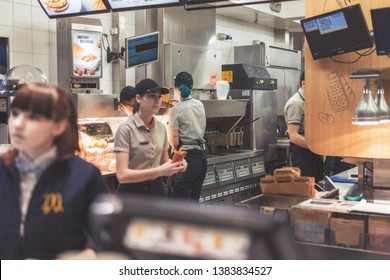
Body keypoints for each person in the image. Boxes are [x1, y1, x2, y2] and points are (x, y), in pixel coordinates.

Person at [0, 83, 109, 260]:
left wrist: (86, 257)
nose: (18, 124)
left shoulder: (84, 177)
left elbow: (106, 239)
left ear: (58, 126)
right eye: (15, 114)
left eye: (33, 117)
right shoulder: (4, 170)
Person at [114, 78, 187, 196]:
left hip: (156, 190)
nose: (157, 100)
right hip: (132, 193)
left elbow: (164, 161)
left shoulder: (161, 128)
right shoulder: (125, 129)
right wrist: (160, 171)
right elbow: (122, 176)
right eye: (152, 96)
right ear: (138, 98)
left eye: (159, 97)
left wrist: (177, 164)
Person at [168, 71, 207, 202]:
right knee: (194, 204)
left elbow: (174, 142)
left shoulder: (175, 110)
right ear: (191, 87)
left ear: (176, 89)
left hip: (186, 159)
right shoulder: (199, 105)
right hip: (201, 158)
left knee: (182, 207)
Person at [284, 71, 324, 183]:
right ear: (304, 83)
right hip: (303, 155)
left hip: (313, 152)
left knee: (317, 188)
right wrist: (319, 146)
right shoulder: (296, 103)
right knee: (307, 190)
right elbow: (294, 136)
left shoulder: (307, 101)